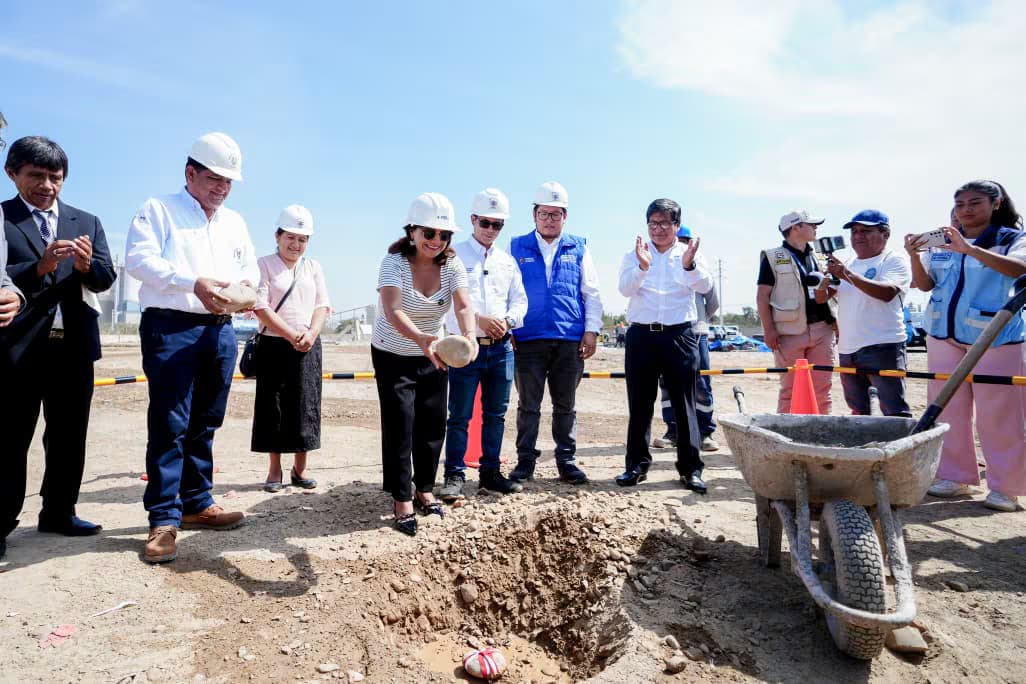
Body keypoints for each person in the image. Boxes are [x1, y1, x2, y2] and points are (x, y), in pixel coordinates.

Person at [126, 132, 257, 563]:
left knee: (206, 420)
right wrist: (192, 283)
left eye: (228, 181)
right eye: (215, 178)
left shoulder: (234, 222)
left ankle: (197, 502)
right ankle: (164, 518)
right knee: (171, 422)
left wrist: (245, 291)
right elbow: (140, 260)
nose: (222, 188)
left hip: (220, 330)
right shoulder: (158, 210)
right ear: (190, 173)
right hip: (172, 327)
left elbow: (249, 269)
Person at [1, 136, 115, 560]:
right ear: (12, 173)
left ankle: (59, 512)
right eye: (36, 175)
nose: (47, 185)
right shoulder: (3, 219)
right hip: (17, 350)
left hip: (74, 349)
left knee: (69, 436)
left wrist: (86, 266)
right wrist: (40, 266)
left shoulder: (86, 221)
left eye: (55, 177)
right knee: (10, 439)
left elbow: (105, 276)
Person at [907, 180, 1026, 512]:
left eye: (975, 203)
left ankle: (1006, 487)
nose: (966, 210)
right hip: (943, 335)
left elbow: (1021, 269)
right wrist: (914, 256)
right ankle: (954, 476)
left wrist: (970, 250)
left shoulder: (1012, 239)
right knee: (947, 409)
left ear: (996, 204)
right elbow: (924, 284)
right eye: (960, 204)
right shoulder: (941, 242)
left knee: (999, 415)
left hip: (995, 337)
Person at [372, 192, 477, 536]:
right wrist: (421, 339)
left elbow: (463, 306)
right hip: (393, 352)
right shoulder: (393, 263)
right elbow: (393, 310)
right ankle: (402, 497)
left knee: (432, 423)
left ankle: (424, 488)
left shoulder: (452, 265)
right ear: (412, 231)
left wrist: (470, 336)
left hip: (434, 351)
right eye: (429, 232)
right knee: (401, 422)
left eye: (444, 234)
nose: (436, 240)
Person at [616, 199, 713, 492]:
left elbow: (705, 286)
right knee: (640, 404)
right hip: (641, 336)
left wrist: (689, 266)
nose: (658, 229)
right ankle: (636, 466)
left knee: (685, 405)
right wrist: (642, 268)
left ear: (676, 226)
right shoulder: (635, 254)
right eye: (653, 223)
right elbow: (624, 289)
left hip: (679, 335)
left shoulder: (689, 253)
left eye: (664, 223)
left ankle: (690, 469)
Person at [509, 181, 602, 485]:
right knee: (528, 406)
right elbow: (505, 292)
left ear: (565, 216)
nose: (549, 220)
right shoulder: (515, 247)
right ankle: (525, 461)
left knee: (566, 406)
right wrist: (509, 327)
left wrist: (591, 331)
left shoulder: (579, 247)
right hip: (527, 339)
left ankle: (567, 461)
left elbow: (591, 293)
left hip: (568, 340)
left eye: (556, 214)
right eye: (544, 213)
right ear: (534, 215)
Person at [439, 189, 528, 502]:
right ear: (473, 219)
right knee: (459, 415)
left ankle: (490, 474)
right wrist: (479, 319)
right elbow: (445, 302)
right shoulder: (453, 256)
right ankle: (454, 475)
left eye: (498, 224)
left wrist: (507, 320)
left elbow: (520, 300)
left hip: (501, 349)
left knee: (496, 414)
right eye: (486, 222)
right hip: (466, 349)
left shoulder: (507, 261)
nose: (491, 229)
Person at [251, 205, 331, 492]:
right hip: (273, 345)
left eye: (302, 239)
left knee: (305, 405)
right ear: (278, 236)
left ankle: (300, 468)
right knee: (273, 407)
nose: (296, 244)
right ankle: (274, 470)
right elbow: (259, 305)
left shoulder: (313, 267)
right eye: (290, 237)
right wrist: (290, 334)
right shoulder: (263, 264)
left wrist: (311, 333)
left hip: (308, 345)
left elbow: (322, 304)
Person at [823, 210, 912, 417]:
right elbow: (822, 297)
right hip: (848, 348)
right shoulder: (848, 263)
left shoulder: (894, 260)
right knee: (858, 411)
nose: (858, 236)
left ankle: (898, 440)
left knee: (894, 411)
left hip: (883, 345)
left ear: (885, 234)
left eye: (865, 231)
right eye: (854, 231)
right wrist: (822, 281)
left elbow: (887, 293)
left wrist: (846, 274)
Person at [756, 210, 837, 414]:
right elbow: (762, 296)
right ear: (795, 228)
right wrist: (769, 330)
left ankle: (823, 430)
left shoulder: (821, 256)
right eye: (811, 224)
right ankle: (785, 431)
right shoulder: (773, 257)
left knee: (822, 390)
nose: (816, 227)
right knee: (790, 391)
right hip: (789, 332)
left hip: (823, 329)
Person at [652, 225, 719, 451]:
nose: (680, 244)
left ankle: (705, 431)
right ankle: (673, 430)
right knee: (667, 383)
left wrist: (700, 320)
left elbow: (712, 301)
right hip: (667, 333)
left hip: (695, 332)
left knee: (700, 382)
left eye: (684, 240)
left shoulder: (698, 265)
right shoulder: (660, 265)